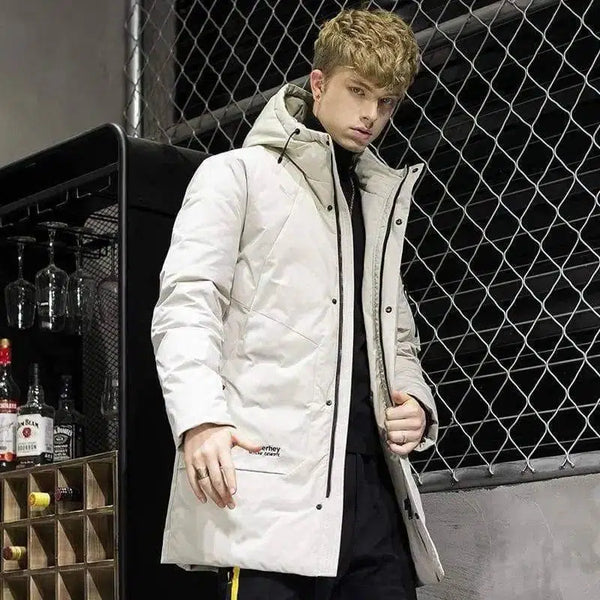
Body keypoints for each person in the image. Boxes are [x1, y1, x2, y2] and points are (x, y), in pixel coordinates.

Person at [151, 7, 444, 600]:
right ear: (318, 83)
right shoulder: (236, 176)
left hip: (374, 490)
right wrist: (200, 420)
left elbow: (396, 335)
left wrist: (415, 400)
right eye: (357, 91)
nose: (371, 115)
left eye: (386, 102)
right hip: (269, 487)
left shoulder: (374, 203)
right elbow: (187, 303)